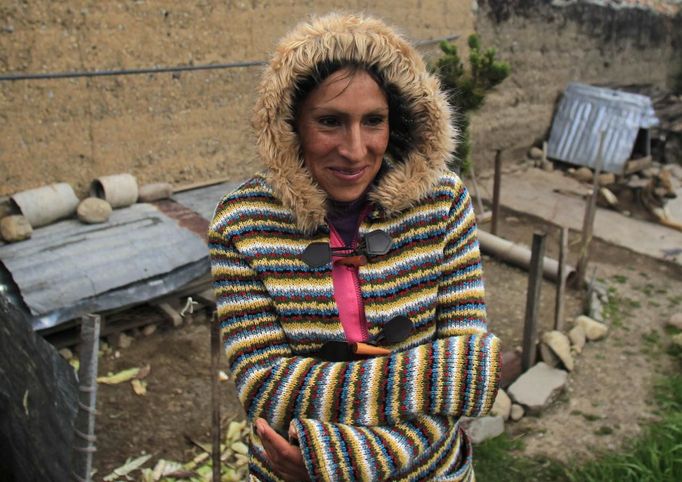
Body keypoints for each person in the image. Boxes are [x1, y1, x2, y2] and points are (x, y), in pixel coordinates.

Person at [209, 13, 500, 481]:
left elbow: (465, 374)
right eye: (330, 121)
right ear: (290, 125)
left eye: (374, 121)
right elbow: (267, 390)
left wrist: (336, 462)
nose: (355, 149)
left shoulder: (442, 203)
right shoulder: (243, 225)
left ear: (398, 121)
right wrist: (437, 375)